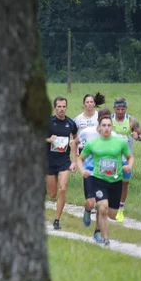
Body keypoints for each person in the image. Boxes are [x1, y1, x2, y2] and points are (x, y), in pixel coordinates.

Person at [77, 111, 134, 247]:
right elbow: (80, 159)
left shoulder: (120, 143)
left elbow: (130, 157)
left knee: (112, 214)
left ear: (112, 127)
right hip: (99, 180)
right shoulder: (93, 144)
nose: (106, 128)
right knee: (102, 207)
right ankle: (105, 239)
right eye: (104, 125)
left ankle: (102, 228)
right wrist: (82, 170)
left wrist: (129, 166)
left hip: (115, 181)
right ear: (100, 127)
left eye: (109, 125)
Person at [45, 96, 78, 230]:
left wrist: (74, 161)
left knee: (63, 188)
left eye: (64, 106)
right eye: (59, 107)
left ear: (66, 107)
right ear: (55, 108)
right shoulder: (48, 122)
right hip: (49, 160)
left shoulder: (70, 123)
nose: (61, 109)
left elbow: (75, 140)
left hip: (64, 160)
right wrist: (48, 139)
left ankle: (57, 220)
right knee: (52, 194)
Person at [111, 97, 141, 222]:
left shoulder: (131, 121)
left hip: (126, 159)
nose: (120, 111)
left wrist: (138, 136)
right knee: (111, 183)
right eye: (118, 109)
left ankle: (120, 209)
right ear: (114, 109)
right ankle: (110, 206)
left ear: (126, 109)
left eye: (123, 109)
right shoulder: (109, 120)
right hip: (112, 158)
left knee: (124, 184)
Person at [74, 93, 105, 226]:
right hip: (85, 153)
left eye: (91, 102)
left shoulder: (99, 116)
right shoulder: (78, 119)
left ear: (94, 103)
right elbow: (75, 135)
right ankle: (89, 206)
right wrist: (75, 155)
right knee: (89, 181)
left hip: (101, 153)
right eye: (87, 102)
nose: (89, 104)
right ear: (83, 104)